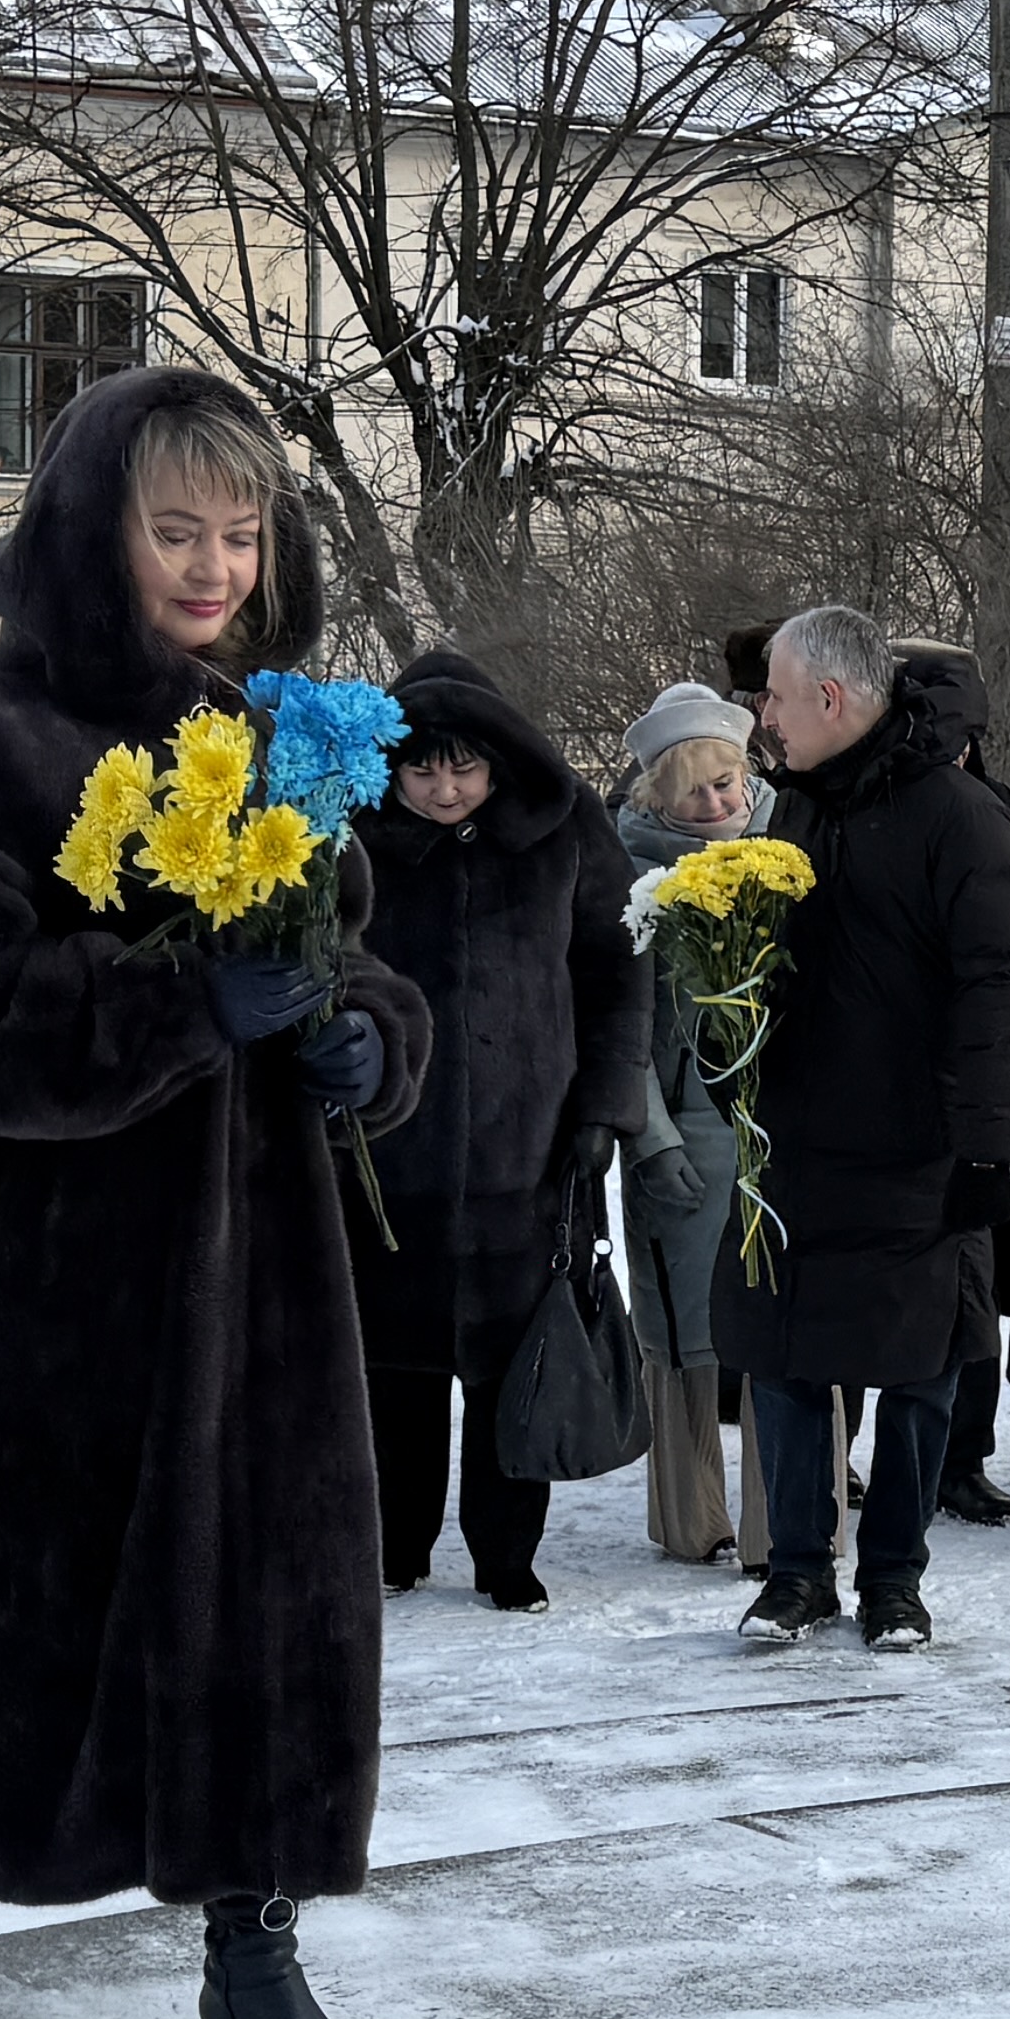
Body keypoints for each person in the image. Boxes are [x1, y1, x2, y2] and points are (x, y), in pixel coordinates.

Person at [0, 369, 429, 2019]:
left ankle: (253, 1949)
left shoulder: (275, 724)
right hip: (39, 1278)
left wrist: (362, 1035)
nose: (215, 564)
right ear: (92, 526)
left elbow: (341, 945)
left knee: (264, 1604)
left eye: (242, 529)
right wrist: (170, 1002)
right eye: (174, 529)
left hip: (261, 1282)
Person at [708, 605, 1010, 1652]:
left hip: (914, 1149)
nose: (763, 715)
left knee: (919, 1370)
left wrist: (989, 1148)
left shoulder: (959, 817)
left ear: (831, 700)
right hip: (798, 1144)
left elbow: (998, 990)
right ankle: (798, 1573)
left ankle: (896, 1576)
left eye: (774, 696)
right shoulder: (795, 808)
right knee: (787, 1359)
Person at [354, 646, 643, 1615]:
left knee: (512, 1364)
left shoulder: (566, 832)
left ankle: (505, 1555)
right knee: (393, 1369)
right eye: (423, 767)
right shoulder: (347, 838)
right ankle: (394, 1546)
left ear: (499, 762)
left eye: (464, 767)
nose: (444, 788)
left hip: (531, 1156)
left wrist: (604, 1111)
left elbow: (617, 975)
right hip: (385, 1156)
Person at [609, 679, 764, 1566]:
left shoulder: (784, 860)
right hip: (682, 1131)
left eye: (729, 782)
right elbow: (619, 1029)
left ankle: (794, 1516)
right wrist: (652, 1138)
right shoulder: (630, 882)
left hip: (777, 1131)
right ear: (660, 795)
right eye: (697, 788)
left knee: (793, 1326)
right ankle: (692, 1512)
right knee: (684, 1333)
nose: (718, 803)